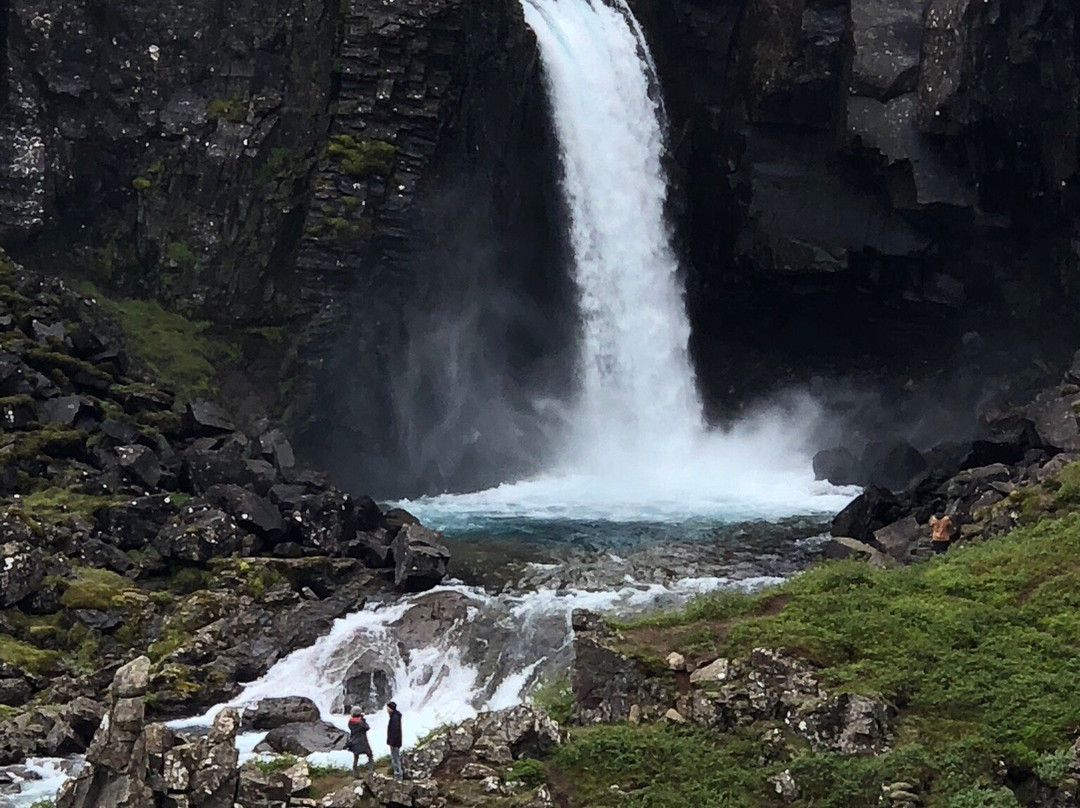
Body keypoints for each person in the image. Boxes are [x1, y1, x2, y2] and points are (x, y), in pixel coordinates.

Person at [346, 706, 374, 776]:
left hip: (354, 742)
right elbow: (367, 727)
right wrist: (363, 720)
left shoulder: (350, 722)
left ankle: (355, 774)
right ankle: (371, 771)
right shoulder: (361, 722)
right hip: (362, 742)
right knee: (370, 755)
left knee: (356, 757)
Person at [387, 701, 403, 780]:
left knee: (395, 758)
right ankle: (397, 773)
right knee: (395, 757)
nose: (387, 709)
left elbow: (395, 731)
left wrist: (392, 742)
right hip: (396, 741)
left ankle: (398, 774)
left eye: (388, 708)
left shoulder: (394, 718)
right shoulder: (394, 716)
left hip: (395, 742)